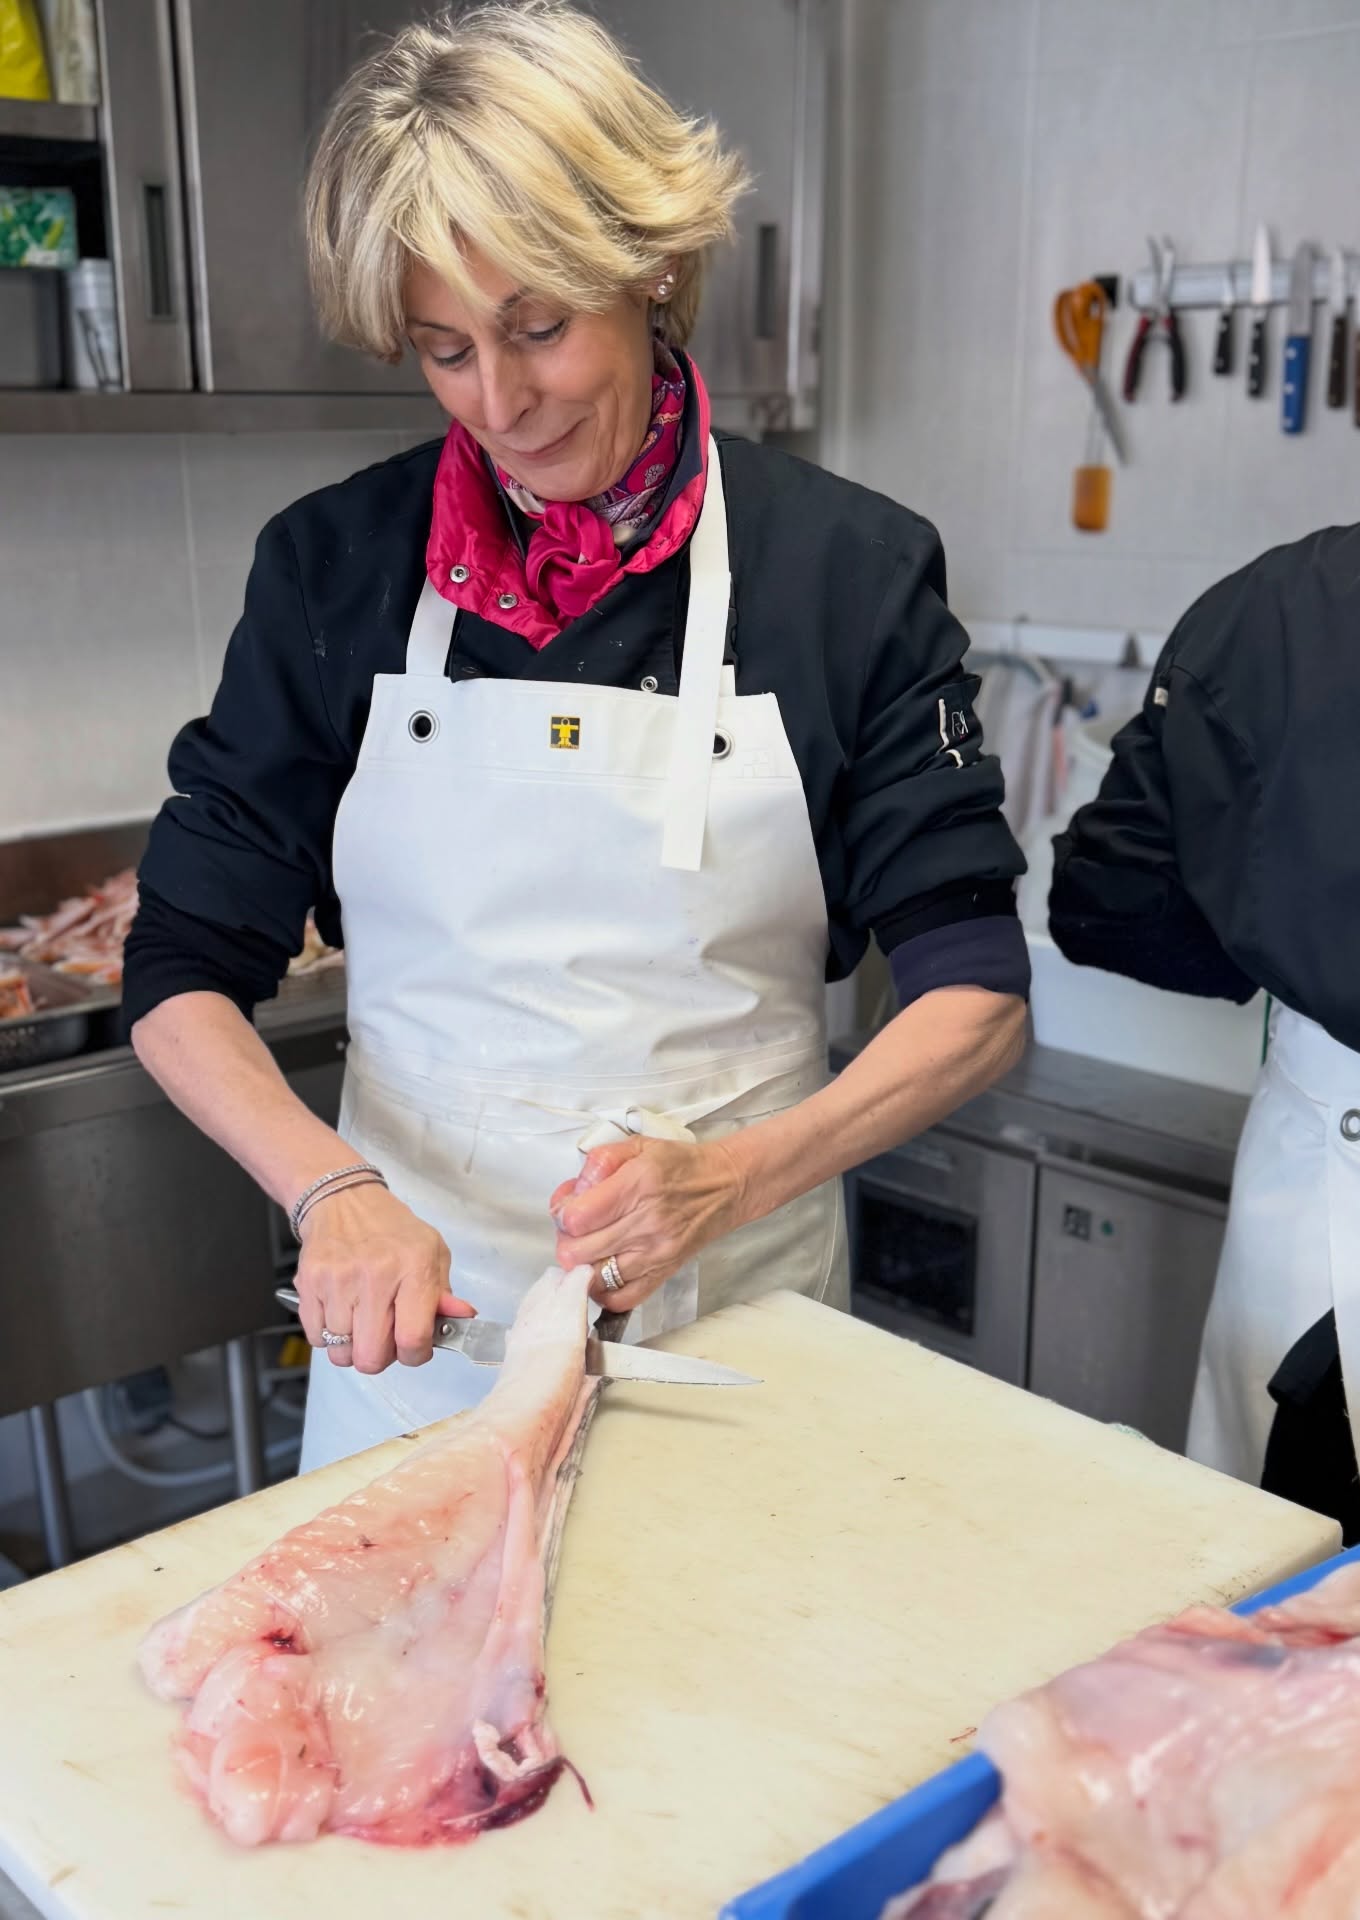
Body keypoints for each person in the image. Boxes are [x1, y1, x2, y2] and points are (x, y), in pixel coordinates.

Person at [123, 1, 1029, 1473]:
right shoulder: (333, 568)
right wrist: (330, 1193)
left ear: (648, 265)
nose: (502, 403)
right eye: (444, 350)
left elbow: (975, 995)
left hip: (740, 1334)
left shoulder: (841, 574)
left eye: (538, 328)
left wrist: (730, 1182)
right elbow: (179, 973)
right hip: (421, 1363)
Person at [1048, 165, 1360, 1547]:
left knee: (1320, 1698)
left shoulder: (1291, 616)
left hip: (1359, 1266)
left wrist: (1297, 920)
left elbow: (1111, 908)